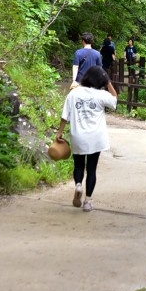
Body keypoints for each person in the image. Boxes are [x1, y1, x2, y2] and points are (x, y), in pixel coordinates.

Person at [54, 66, 117, 212]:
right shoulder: (101, 94)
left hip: (78, 135)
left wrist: (60, 132)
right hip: (96, 137)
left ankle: (78, 185)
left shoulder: (74, 94)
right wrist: (108, 82)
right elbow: (115, 100)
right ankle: (88, 201)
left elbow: (65, 116)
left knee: (79, 165)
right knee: (92, 169)